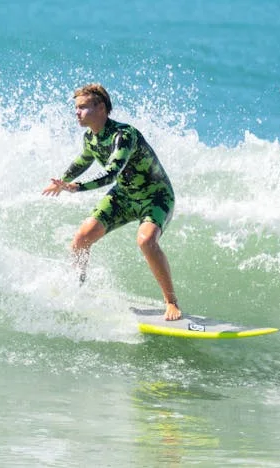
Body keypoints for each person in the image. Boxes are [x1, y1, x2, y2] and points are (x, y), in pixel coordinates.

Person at [42, 83, 182, 321]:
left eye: (83, 107)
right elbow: (84, 160)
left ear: (102, 108)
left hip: (155, 195)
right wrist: (62, 181)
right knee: (80, 239)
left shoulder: (124, 135)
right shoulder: (90, 138)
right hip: (125, 196)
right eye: (76, 108)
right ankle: (78, 289)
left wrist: (76, 188)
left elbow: (111, 174)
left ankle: (171, 302)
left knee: (146, 241)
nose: (77, 112)